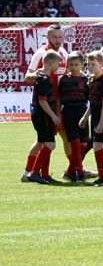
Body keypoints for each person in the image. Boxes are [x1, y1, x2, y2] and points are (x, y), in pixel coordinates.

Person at [22, 52, 61, 184]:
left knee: (40, 142)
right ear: (50, 63)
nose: (58, 66)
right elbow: (42, 101)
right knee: (50, 144)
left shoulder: (41, 77)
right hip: (43, 115)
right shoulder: (45, 79)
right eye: (57, 63)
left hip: (38, 114)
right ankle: (34, 173)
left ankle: (37, 174)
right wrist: (53, 116)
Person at [58, 52, 90, 182]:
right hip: (68, 112)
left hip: (82, 112)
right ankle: (80, 173)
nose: (73, 67)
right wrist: (58, 114)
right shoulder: (64, 80)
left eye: (76, 64)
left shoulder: (86, 80)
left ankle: (70, 171)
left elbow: (90, 98)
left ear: (82, 65)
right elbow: (59, 98)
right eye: (71, 64)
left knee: (84, 143)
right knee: (75, 142)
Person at [85, 50, 103, 185]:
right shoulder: (92, 81)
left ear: (101, 64)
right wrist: (85, 117)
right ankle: (102, 177)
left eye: (93, 64)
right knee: (97, 146)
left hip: (102, 118)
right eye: (88, 64)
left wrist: (102, 123)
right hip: (95, 117)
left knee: (98, 145)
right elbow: (93, 103)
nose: (90, 67)